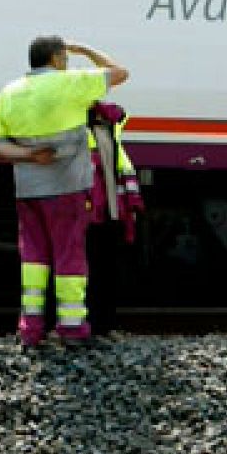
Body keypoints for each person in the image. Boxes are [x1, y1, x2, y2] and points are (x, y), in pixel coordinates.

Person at [0, 36, 129, 347]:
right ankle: (72, 328)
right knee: (69, 256)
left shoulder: (9, 93)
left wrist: (29, 156)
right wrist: (86, 50)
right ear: (56, 58)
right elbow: (120, 72)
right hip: (68, 189)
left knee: (33, 259)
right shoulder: (71, 84)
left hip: (28, 191)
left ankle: (31, 329)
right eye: (65, 57)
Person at [83, 101, 144, 338]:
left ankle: (104, 325)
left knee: (106, 272)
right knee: (90, 272)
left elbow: (121, 113)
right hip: (91, 214)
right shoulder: (80, 133)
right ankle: (92, 324)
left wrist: (131, 206)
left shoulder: (110, 133)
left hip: (110, 213)